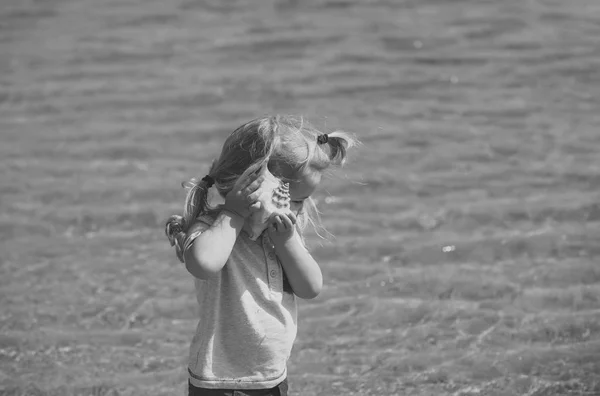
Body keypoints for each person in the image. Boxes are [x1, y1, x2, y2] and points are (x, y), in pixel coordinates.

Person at [165, 115, 358, 396]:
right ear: (248, 186)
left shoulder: (282, 234)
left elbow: (311, 287)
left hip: (271, 377)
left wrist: (288, 243)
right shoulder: (212, 227)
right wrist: (233, 214)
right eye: (291, 199)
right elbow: (203, 264)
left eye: (302, 201)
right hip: (219, 381)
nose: (297, 209)